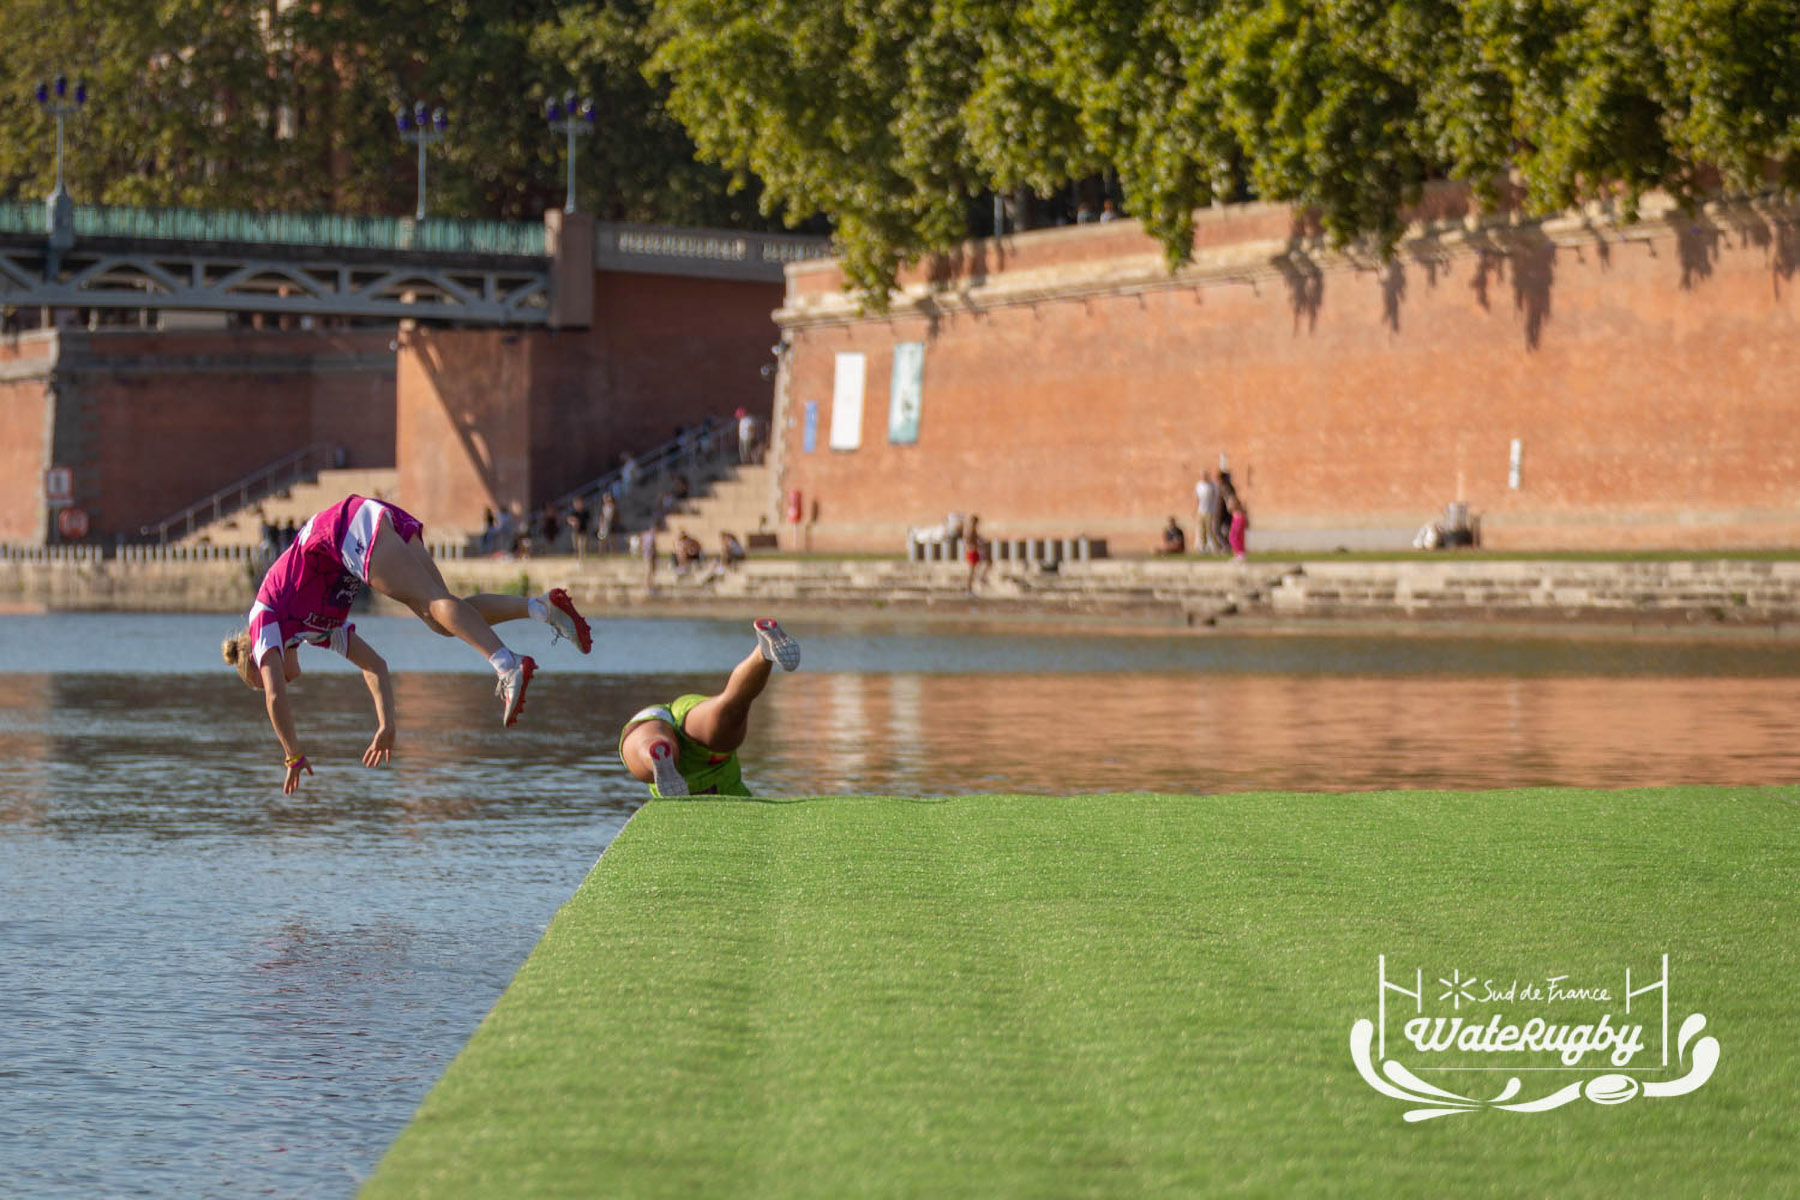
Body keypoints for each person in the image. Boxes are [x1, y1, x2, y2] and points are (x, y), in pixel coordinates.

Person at [220, 495, 594, 794]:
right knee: (442, 619)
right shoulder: (314, 631)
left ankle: (507, 665)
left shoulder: (264, 618)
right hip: (370, 523)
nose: (278, 680)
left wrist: (292, 755)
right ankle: (541, 608)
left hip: (349, 527)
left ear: (259, 655)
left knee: (433, 603)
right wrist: (387, 724)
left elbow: (274, 698)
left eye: (267, 675)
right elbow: (375, 666)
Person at [617, 619, 800, 797]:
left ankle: (655, 752)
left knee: (734, 705)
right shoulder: (739, 797)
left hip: (699, 745)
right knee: (732, 705)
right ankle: (762, 652)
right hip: (705, 751)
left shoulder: (738, 795)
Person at [1194, 471, 1223, 554]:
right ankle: (1203, 547)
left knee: (1211, 530)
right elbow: (1197, 499)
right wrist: (1195, 510)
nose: (1204, 477)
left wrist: (1217, 510)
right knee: (1202, 530)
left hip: (1210, 511)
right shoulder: (1199, 485)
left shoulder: (1212, 486)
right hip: (1201, 511)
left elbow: (1217, 499)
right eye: (1203, 476)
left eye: (1205, 476)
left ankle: (1216, 547)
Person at [962, 513, 992, 593]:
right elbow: (968, 541)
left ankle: (980, 579)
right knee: (971, 571)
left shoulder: (972, 529)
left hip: (975, 551)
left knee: (986, 563)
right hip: (972, 552)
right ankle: (969, 589)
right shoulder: (970, 530)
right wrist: (974, 546)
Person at [565, 496, 591, 561]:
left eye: (579, 503)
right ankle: (576, 557)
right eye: (576, 504)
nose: (577, 505)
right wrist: (572, 522)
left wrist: (578, 522)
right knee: (575, 545)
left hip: (583, 531)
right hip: (575, 532)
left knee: (582, 545)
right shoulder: (573, 513)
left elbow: (588, 520)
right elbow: (568, 520)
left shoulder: (585, 512)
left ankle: (582, 557)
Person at [1227, 493, 1250, 562]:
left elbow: (1244, 518)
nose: (1229, 504)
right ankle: (1238, 554)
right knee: (1234, 538)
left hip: (1238, 522)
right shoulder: (1234, 511)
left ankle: (1240, 554)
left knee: (1234, 538)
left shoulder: (1239, 510)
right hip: (1237, 522)